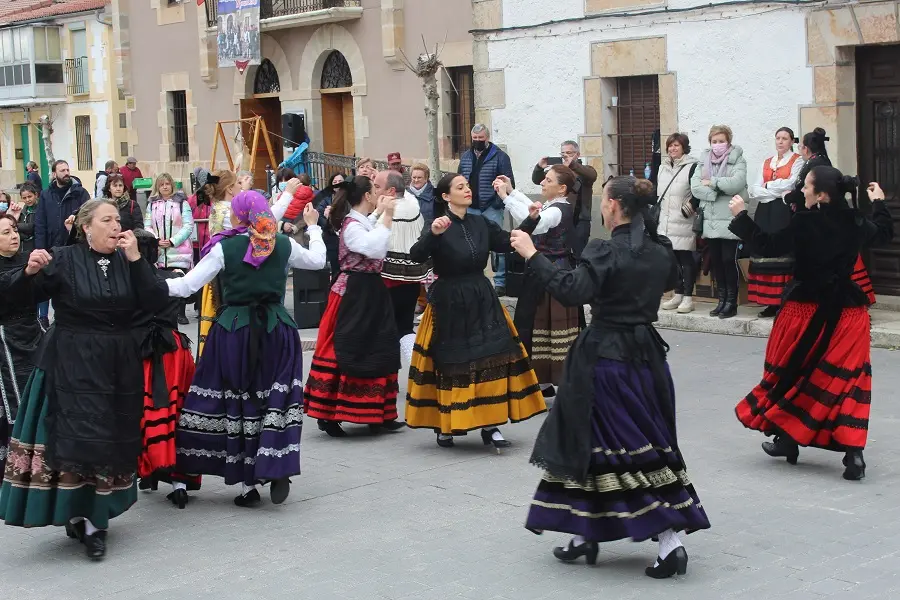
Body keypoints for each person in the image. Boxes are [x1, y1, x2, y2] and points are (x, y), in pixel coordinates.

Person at [514, 176, 710, 578]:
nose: (602, 206)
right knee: (603, 446)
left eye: (605, 200)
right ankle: (585, 534)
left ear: (616, 207)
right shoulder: (659, 251)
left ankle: (670, 540)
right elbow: (665, 282)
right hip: (647, 359)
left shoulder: (605, 249)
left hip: (607, 361)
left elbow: (571, 290)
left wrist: (532, 253)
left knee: (625, 449)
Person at [0, 201, 168, 560]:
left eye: (118, 221)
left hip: (118, 364)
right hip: (70, 361)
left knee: (109, 440)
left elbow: (156, 300)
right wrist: (28, 273)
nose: (114, 227)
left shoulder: (130, 259)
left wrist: (138, 260)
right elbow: (17, 300)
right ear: (85, 227)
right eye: (106, 220)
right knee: (77, 441)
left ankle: (96, 521)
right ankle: (78, 514)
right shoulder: (62, 258)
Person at [729, 168, 893, 481]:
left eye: (805, 186)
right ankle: (849, 453)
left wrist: (741, 216)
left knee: (796, 373)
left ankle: (788, 439)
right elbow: (884, 233)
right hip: (849, 315)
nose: (801, 190)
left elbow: (767, 245)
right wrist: (879, 203)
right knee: (846, 381)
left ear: (820, 195)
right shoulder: (855, 220)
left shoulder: (806, 222)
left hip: (806, 311)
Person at [170, 191, 326, 506]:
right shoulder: (283, 244)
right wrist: (315, 227)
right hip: (277, 331)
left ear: (240, 216)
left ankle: (245, 485)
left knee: (230, 402)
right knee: (275, 400)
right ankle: (273, 465)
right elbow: (319, 261)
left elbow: (188, 286)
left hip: (234, 331)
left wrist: (149, 283)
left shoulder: (225, 248)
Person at [405, 174, 546, 449]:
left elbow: (507, 242)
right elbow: (416, 255)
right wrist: (433, 234)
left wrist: (530, 220)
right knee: (451, 362)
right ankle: (446, 424)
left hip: (481, 296)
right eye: (460, 187)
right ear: (446, 196)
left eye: (467, 186)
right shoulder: (438, 225)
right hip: (449, 300)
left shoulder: (480, 221)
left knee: (491, 358)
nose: (467, 190)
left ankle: (490, 424)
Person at [303, 177, 404, 437]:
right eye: (375, 191)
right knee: (344, 347)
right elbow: (374, 248)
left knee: (380, 346)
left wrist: (381, 212)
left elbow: (369, 230)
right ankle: (328, 415)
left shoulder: (358, 221)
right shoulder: (350, 225)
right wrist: (388, 217)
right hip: (353, 294)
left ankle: (380, 412)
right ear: (367, 196)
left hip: (370, 291)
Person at [494, 167, 583, 398]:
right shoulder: (553, 205)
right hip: (544, 272)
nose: (543, 182)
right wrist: (513, 193)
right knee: (535, 325)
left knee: (549, 328)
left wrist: (505, 198)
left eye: (548, 179)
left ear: (562, 188)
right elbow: (533, 210)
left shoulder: (558, 210)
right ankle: (543, 383)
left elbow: (538, 221)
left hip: (552, 273)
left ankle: (564, 385)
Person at [134, 240, 199, 508]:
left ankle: (150, 469)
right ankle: (178, 480)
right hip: (175, 349)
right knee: (178, 413)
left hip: (147, 352)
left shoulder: (128, 281)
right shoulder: (174, 276)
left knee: (148, 412)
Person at [0, 214, 46, 480]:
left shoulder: (26, 257)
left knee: (41, 393)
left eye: (14, 230)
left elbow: (43, 289)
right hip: (7, 338)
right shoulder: (23, 265)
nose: (13, 236)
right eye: (6, 232)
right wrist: (27, 272)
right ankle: (19, 466)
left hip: (33, 332)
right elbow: (5, 285)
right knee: (17, 401)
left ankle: (42, 459)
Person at [690, 125, 748, 319]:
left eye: (721, 141)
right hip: (711, 220)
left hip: (730, 218)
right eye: (714, 141)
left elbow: (736, 184)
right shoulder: (703, 161)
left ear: (728, 141)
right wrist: (719, 191)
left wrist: (712, 183)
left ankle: (732, 302)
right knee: (716, 262)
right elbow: (696, 188)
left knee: (728, 261)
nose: (718, 145)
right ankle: (721, 300)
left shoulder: (737, 159)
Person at [746, 128, 805, 317]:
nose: (780, 142)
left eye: (784, 138)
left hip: (783, 211)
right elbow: (754, 190)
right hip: (765, 211)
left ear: (791, 141)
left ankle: (784, 300)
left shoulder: (797, 161)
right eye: (778, 138)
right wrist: (774, 190)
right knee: (765, 251)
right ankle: (769, 301)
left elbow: (792, 184)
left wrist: (768, 186)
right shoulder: (766, 162)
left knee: (782, 252)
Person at [373, 170, 431, 357]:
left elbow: (370, 240)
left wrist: (377, 211)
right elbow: (403, 191)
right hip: (411, 282)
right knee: (405, 328)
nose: (374, 191)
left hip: (388, 283)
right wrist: (384, 179)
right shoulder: (412, 204)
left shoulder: (387, 214)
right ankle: (417, 372)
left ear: (390, 191)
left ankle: (386, 380)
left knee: (384, 331)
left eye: (376, 187)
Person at [458, 124, 515, 295]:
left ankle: (500, 282)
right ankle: (476, 279)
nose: (477, 141)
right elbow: (460, 179)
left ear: (487, 138)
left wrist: (498, 202)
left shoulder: (500, 157)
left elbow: (508, 182)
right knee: (472, 244)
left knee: (498, 244)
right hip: (471, 207)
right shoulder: (466, 157)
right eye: (474, 139)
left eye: (480, 139)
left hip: (491, 207)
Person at [196, 170, 240, 355]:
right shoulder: (229, 210)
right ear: (230, 189)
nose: (240, 187)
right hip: (228, 267)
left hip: (218, 266)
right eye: (237, 184)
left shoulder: (217, 206)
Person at [532, 141, 598, 259]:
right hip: (561, 216)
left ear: (577, 154)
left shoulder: (584, 169)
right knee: (561, 251)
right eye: (563, 154)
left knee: (579, 254)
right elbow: (537, 180)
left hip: (580, 219)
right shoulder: (558, 172)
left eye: (569, 153)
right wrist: (539, 167)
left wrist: (572, 165)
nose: (566, 156)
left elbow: (592, 175)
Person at [657, 133, 700, 314]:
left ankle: (688, 297)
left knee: (685, 259)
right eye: (670, 146)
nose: (672, 149)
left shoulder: (693, 166)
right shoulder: (662, 167)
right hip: (665, 221)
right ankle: (678, 293)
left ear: (684, 147)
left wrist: (688, 208)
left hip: (683, 220)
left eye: (676, 145)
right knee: (672, 260)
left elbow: (697, 193)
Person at [145, 173, 194, 325]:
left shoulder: (182, 203)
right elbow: (147, 225)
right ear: (158, 187)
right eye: (162, 184)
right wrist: (156, 240)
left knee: (180, 280)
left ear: (172, 185)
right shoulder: (152, 204)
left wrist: (173, 241)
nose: (165, 187)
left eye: (167, 184)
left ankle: (181, 311)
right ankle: (167, 310)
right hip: (160, 251)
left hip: (178, 250)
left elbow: (188, 225)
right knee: (164, 280)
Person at [35, 160, 90, 250]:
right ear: (54, 174)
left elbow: (88, 217)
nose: (66, 173)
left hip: (75, 247)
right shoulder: (45, 195)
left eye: (67, 170)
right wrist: (40, 248)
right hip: (52, 248)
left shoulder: (80, 193)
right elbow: (40, 223)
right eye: (62, 171)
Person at [312, 172, 344, 283]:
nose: (337, 184)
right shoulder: (326, 198)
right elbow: (319, 214)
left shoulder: (350, 198)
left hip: (346, 236)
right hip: (331, 236)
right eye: (334, 182)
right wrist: (329, 222)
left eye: (340, 182)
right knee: (335, 267)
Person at [408, 163, 435, 227]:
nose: (416, 180)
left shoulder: (435, 196)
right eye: (414, 177)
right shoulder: (404, 195)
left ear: (426, 179)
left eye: (419, 177)